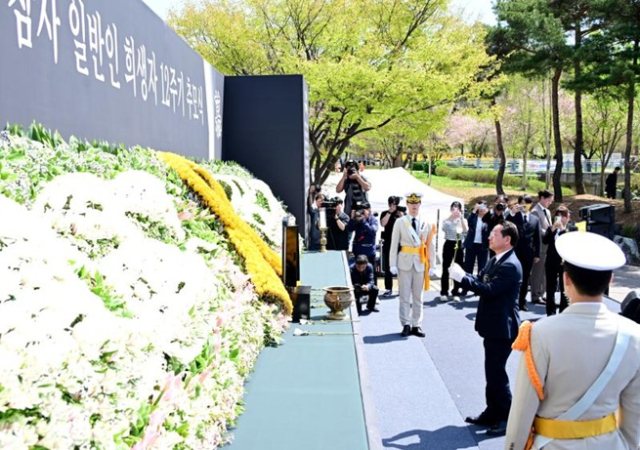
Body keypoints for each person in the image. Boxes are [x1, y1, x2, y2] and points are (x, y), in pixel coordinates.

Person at [505, 231, 640, 450]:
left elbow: (522, 409)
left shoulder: (541, 333)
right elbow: (634, 411)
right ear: (610, 280)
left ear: (566, 279)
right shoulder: (634, 334)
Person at [449, 221, 523, 436]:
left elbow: (489, 289)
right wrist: (465, 275)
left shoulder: (510, 265)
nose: (489, 237)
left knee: (497, 373)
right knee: (492, 371)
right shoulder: (495, 259)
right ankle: (492, 411)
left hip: (503, 327)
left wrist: (462, 279)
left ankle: (506, 416)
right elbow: (480, 278)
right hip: (493, 325)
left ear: (507, 239)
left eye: (494, 234)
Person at [389, 192, 436, 338]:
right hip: (404, 260)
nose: (414, 205)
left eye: (416, 203)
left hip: (420, 261)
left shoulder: (426, 222)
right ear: (407, 204)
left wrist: (433, 265)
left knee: (418, 295)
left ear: (420, 204)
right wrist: (392, 263)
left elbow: (430, 245)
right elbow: (394, 244)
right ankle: (406, 324)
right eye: (411, 203)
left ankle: (416, 324)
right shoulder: (400, 222)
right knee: (404, 295)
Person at [507, 195, 542, 312]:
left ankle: (522, 302)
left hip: (528, 254)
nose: (525, 205)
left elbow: (537, 238)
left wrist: (537, 254)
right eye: (522, 203)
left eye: (527, 203)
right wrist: (512, 213)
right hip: (514, 252)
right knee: (513, 277)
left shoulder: (535, 219)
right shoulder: (514, 216)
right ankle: (511, 301)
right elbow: (505, 225)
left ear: (530, 205)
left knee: (525, 278)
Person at [542, 205, 577, 316]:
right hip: (551, 261)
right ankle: (550, 312)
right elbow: (545, 240)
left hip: (565, 262)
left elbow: (568, 242)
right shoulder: (551, 228)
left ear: (567, 217)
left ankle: (563, 311)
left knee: (564, 288)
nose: (560, 219)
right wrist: (552, 229)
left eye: (563, 216)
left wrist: (562, 230)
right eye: (558, 216)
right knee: (550, 288)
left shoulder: (572, 229)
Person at [438, 201, 468, 302]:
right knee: (446, 267)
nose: (455, 210)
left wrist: (461, 218)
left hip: (458, 243)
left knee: (458, 268)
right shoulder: (446, 219)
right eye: (453, 208)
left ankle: (456, 291)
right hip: (449, 243)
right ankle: (444, 292)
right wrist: (451, 217)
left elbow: (465, 230)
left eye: (457, 208)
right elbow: (444, 228)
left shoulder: (463, 220)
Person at [530, 189, 554, 305]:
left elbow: (549, 226)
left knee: (545, 272)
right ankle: (535, 295)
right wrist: (550, 233)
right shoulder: (535, 211)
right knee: (537, 272)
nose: (550, 202)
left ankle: (542, 293)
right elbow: (538, 229)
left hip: (548, 245)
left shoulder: (547, 212)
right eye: (549, 200)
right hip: (540, 245)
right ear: (542, 198)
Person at [380, 196, 405, 297]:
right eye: (393, 204)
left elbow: (407, 227)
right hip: (388, 243)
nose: (395, 206)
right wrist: (389, 212)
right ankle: (388, 288)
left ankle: (402, 288)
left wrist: (401, 216)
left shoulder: (401, 215)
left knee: (402, 267)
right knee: (388, 266)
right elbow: (383, 223)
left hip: (400, 243)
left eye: (396, 204)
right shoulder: (385, 213)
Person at [464, 200, 490, 277]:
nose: (481, 209)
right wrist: (474, 210)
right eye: (480, 207)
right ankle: (467, 282)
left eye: (483, 207)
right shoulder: (473, 217)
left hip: (483, 245)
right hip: (471, 244)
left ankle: (480, 282)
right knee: (468, 266)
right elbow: (468, 222)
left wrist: (488, 213)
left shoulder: (488, 219)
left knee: (482, 267)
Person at [348, 201, 378, 267]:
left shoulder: (373, 220)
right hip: (358, 251)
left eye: (363, 211)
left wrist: (363, 221)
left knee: (369, 270)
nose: (361, 213)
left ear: (369, 210)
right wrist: (352, 219)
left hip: (369, 252)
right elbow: (349, 229)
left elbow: (372, 231)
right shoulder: (357, 219)